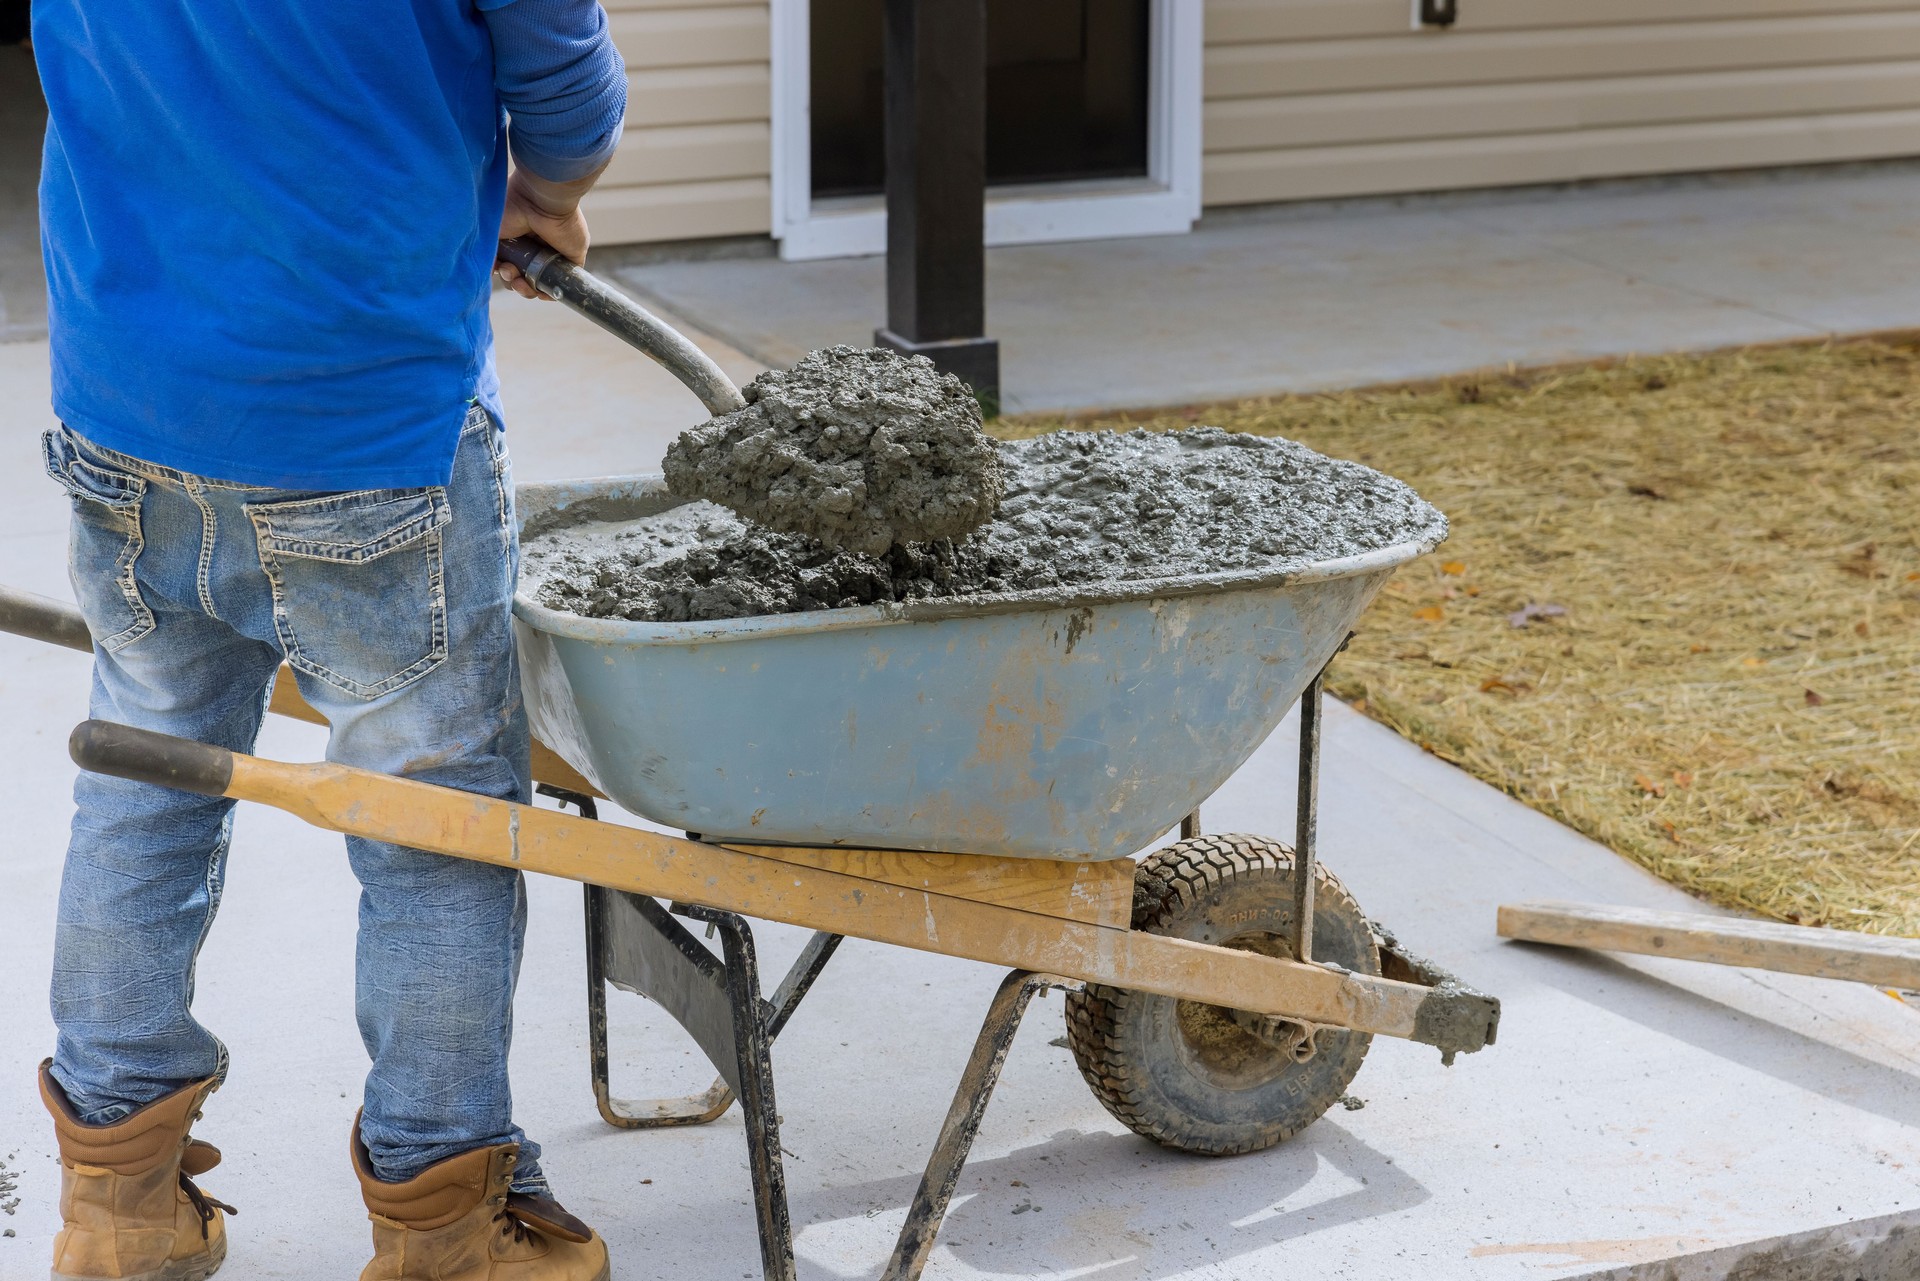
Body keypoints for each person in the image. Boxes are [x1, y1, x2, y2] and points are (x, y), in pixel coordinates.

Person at [31, 2, 626, 1278]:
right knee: (430, 822)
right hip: (369, 423)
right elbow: (565, 83)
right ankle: (447, 1225)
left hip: (129, 399)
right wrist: (548, 191)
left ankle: (118, 1207)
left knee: (144, 775)